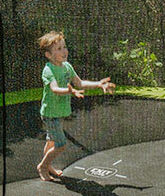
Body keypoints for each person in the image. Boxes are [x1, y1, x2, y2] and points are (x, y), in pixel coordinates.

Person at [35, 31, 116, 181]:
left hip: (57, 112)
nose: (64, 51)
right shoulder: (48, 70)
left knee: (51, 140)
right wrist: (68, 91)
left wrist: (98, 84)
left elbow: (80, 83)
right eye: (58, 49)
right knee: (60, 145)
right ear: (49, 55)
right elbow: (54, 88)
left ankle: (48, 165)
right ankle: (43, 166)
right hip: (50, 114)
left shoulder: (67, 67)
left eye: (64, 47)